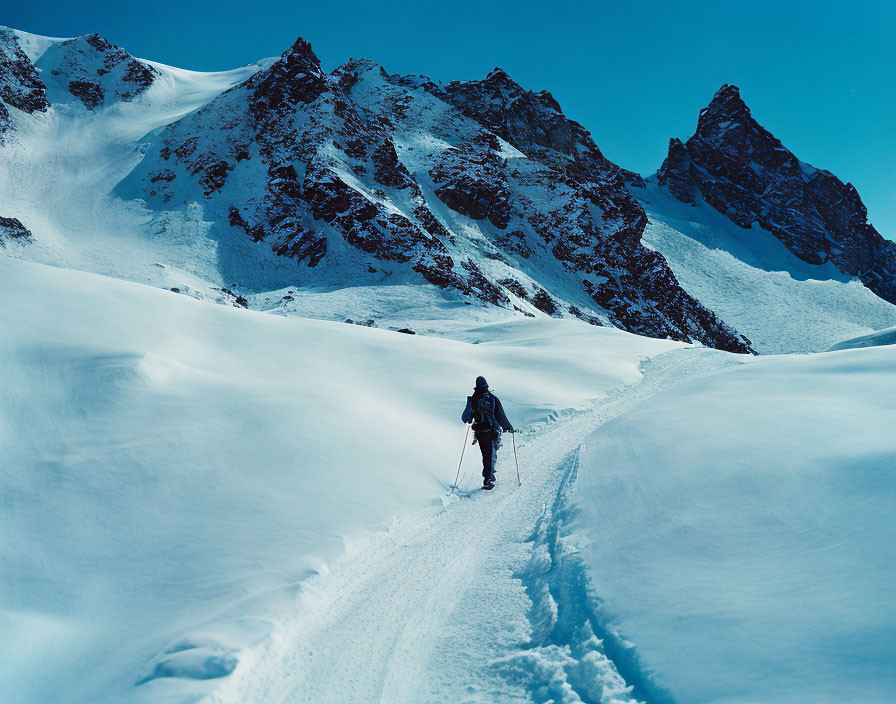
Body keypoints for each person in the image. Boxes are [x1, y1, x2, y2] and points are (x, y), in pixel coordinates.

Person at [461, 376, 514, 490]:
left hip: (480, 433)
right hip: (491, 432)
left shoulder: (473, 400)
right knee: (490, 455)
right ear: (486, 386)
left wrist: (470, 417)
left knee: (485, 455)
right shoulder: (492, 399)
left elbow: (465, 418)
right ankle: (488, 478)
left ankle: (488, 476)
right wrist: (508, 427)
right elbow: (500, 415)